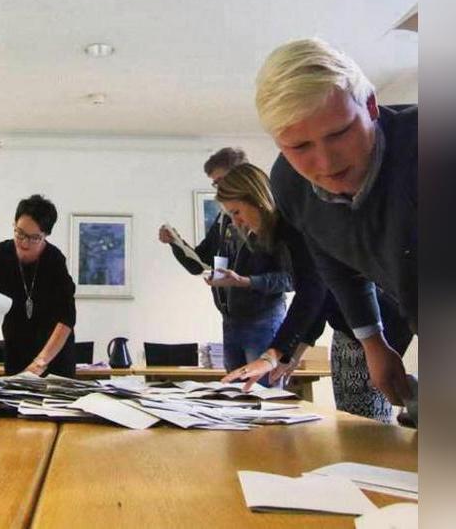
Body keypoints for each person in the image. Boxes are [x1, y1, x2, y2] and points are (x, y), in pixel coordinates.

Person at [254, 38, 417, 411]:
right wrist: (373, 342)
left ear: (371, 105)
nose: (325, 164)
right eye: (299, 147)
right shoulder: (289, 183)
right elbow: (332, 255)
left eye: (339, 133)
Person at [215, 164, 412, 422]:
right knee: (352, 419)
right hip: (346, 327)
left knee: (366, 423)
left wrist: (273, 354)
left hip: (376, 325)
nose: (236, 221)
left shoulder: (294, 223)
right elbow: (321, 294)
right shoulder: (283, 231)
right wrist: (293, 354)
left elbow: (313, 290)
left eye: (237, 211)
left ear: (257, 197)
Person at [158, 148, 291, 378]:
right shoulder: (223, 219)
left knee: (263, 396)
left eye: (221, 181)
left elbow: (291, 279)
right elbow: (199, 264)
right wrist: (176, 244)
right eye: (215, 184)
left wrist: (247, 282)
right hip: (230, 321)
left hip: (263, 320)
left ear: (242, 176)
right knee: (235, 394)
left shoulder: (276, 218)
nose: (219, 190)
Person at [0, 195, 77, 377]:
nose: (24, 243)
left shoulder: (54, 260)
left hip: (53, 358)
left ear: (46, 235)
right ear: (14, 224)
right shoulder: (1, 254)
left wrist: (41, 362)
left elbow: (67, 317)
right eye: (19, 233)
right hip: (16, 353)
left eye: (34, 238)